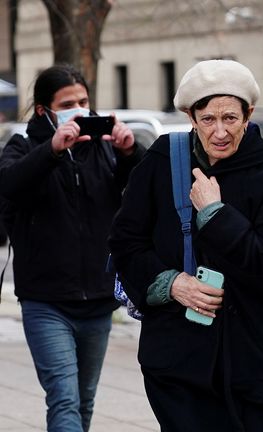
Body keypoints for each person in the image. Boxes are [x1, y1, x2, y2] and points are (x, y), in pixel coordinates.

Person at [108, 60, 263, 431]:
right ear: (190, 116)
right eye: (208, 119)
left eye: (230, 118)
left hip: (258, 361)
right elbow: (125, 242)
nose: (220, 132)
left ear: (248, 115)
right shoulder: (163, 160)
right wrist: (172, 284)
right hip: (180, 362)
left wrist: (215, 214)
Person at [0, 64, 142, 431]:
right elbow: (9, 185)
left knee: (84, 399)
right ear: (45, 110)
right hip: (46, 302)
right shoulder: (24, 146)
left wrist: (129, 152)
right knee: (63, 398)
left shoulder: (103, 147)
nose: (79, 109)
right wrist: (52, 150)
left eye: (83, 101)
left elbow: (142, 191)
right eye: (68, 103)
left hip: (97, 300)